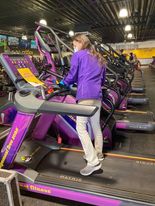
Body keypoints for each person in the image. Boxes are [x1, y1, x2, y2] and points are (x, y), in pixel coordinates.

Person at [60, 34, 106, 176]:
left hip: (85, 95)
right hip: (97, 95)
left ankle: (93, 162)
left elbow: (73, 74)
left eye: (75, 44)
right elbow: (102, 79)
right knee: (96, 125)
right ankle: (98, 154)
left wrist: (63, 83)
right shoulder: (99, 57)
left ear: (81, 43)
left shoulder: (79, 55)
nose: (74, 47)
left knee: (80, 127)